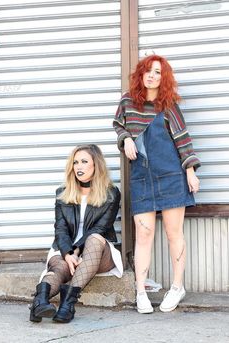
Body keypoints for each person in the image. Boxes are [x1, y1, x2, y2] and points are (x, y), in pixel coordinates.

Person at [113, 54, 200, 314]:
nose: (152, 75)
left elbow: (183, 139)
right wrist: (126, 138)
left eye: (158, 72)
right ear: (141, 73)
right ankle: (140, 290)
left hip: (172, 175)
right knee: (145, 234)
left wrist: (191, 171)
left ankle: (177, 286)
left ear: (164, 78)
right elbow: (118, 126)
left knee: (174, 233)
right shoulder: (128, 101)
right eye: (148, 70)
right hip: (142, 176)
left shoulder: (168, 104)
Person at [29, 144, 122, 323]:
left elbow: (100, 229)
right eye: (76, 162)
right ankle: (39, 303)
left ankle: (67, 304)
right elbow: (61, 229)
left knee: (95, 239)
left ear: (96, 165)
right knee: (60, 267)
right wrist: (67, 252)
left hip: (97, 251)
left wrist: (76, 251)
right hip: (66, 248)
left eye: (84, 161)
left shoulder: (111, 193)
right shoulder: (63, 193)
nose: (79, 166)